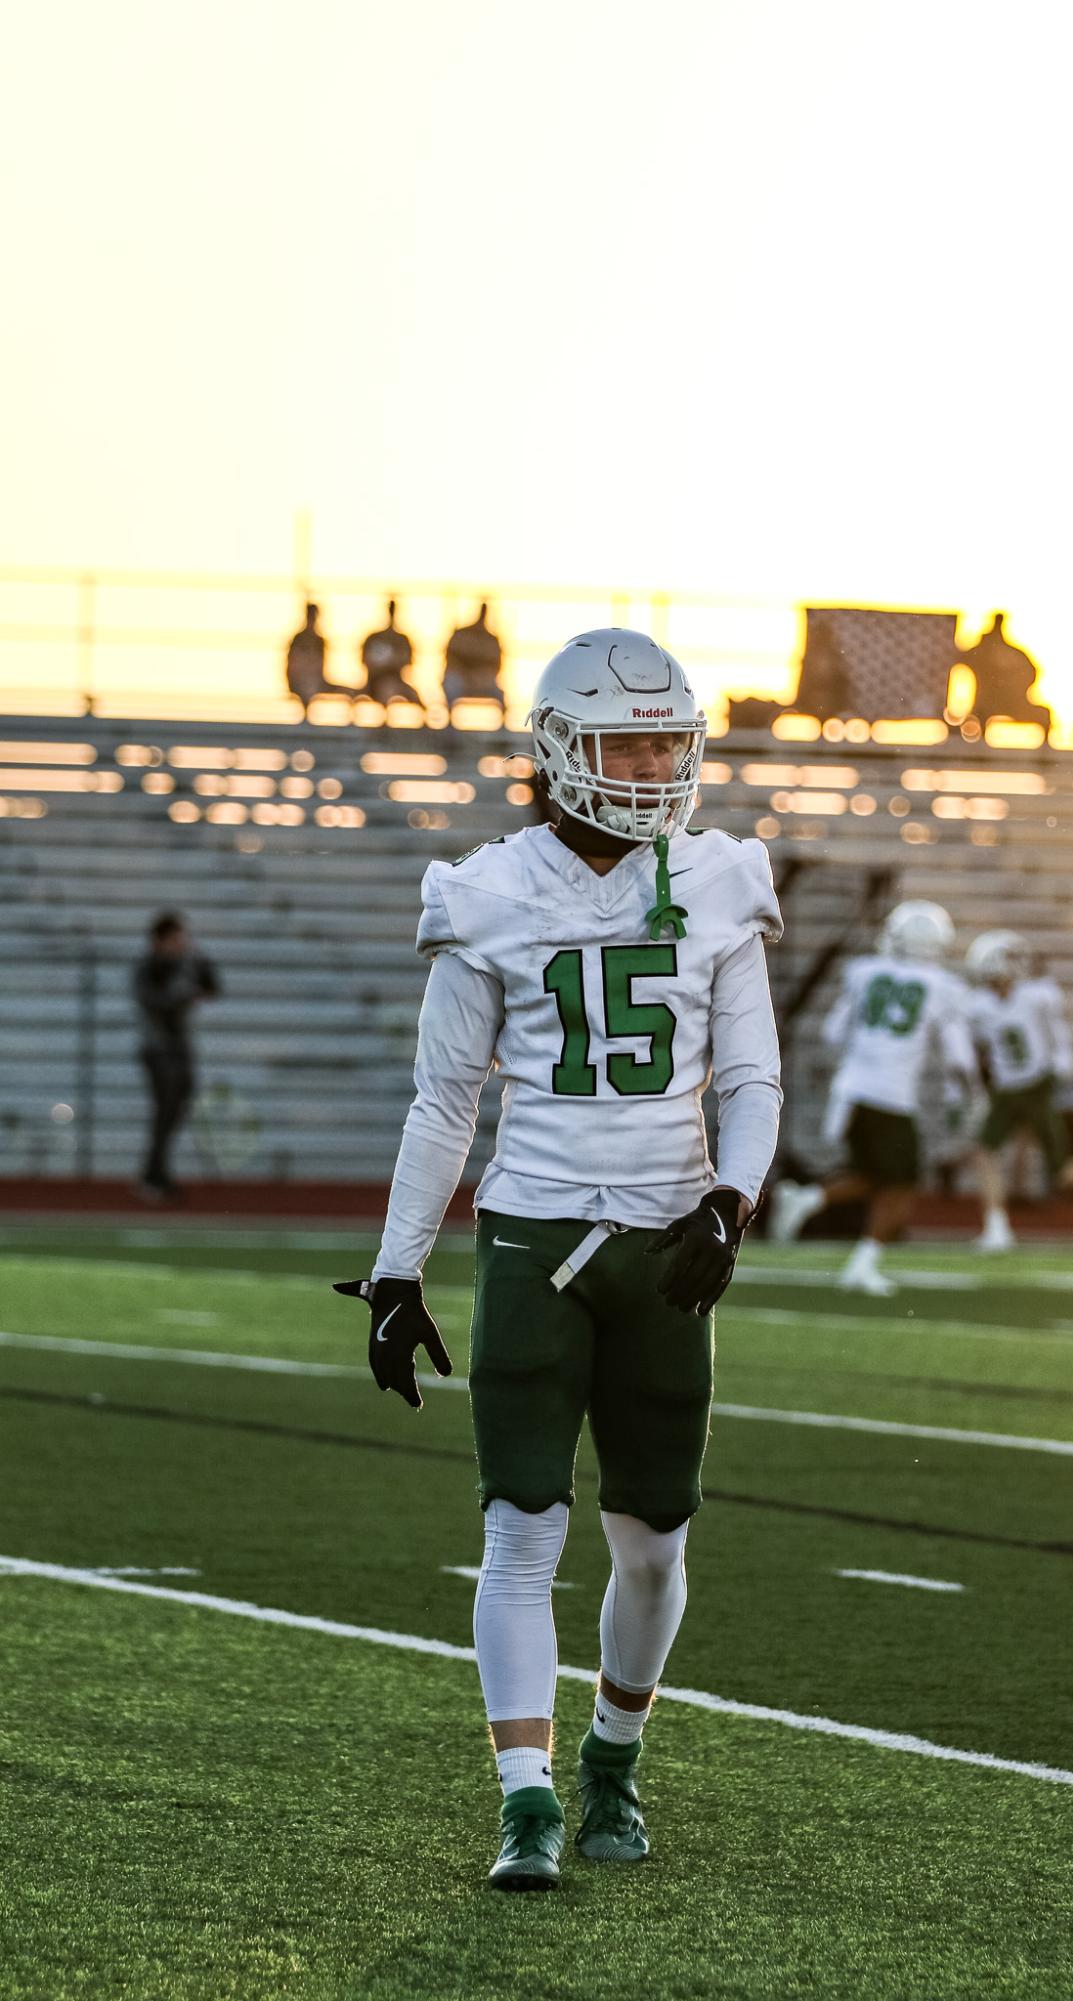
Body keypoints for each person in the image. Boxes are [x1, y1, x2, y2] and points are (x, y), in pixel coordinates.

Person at [334, 629, 783, 1892]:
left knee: (651, 1543)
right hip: (534, 1238)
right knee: (519, 1531)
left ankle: (613, 1761)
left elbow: (749, 1076)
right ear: (556, 750)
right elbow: (442, 1104)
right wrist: (396, 1270)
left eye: (665, 741)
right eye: (625, 741)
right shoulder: (488, 888)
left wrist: (728, 1203)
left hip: (666, 1245)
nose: (650, 766)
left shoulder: (716, 882)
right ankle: (523, 1801)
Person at [769, 901, 975, 1294]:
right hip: (891, 1096)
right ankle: (860, 1262)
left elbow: (832, 1034)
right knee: (902, 1183)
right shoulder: (943, 988)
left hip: (852, 1089)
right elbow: (958, 1057)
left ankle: (808, 1199)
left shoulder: (864, 973)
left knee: (878, 1175)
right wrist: (963, 1096)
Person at [965, 930, 1073, 1250]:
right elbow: (978, 1048)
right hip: (1007, 1090)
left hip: (1036, 1086)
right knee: (984, 1152)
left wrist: (1058, 1071)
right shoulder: (979, 1006)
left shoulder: (1038, 996)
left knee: (1059, 1172)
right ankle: (997, 1228)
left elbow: (1058, 1037)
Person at [130, 913, 221, 1200]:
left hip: (180, 1048)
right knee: (165, 1111)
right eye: (175, 939)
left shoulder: (186, 964)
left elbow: (213, 987)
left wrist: (200, 965)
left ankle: (157, 1172)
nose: (181, 944)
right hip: (158, 1050)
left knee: (176, 1111)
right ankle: (153, 1176)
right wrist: (183, 992)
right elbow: (155, 1003)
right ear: (159, 941)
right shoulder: (148, 968)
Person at [360, 599, 425, 707]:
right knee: (386, 688)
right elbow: (365, 661)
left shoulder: (402, 639)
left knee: (411, 694)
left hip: (396, 678)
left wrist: (393, 663)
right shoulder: (374, 637)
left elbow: (408, 663)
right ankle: (382, 721)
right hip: (375, 680)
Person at [443, 601, 504, 708]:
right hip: (460, 678)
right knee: (451, 684)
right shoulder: (461, 634)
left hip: (482, 679)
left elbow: (497, 665)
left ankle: (503, 724)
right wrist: (466, 675)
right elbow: (450, 659)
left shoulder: (491, 639)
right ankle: (448, 720)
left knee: (498, 692)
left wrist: (480, 676)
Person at [285, 603, 340, 712]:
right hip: (299, 682)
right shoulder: (298, 639)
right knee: (307, 688)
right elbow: (293, 665)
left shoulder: (319, 641)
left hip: (316, 681)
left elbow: (321, 667)